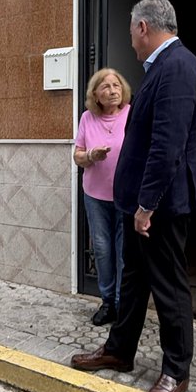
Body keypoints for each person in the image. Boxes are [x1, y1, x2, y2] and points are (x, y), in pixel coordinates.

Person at [70, 0, 196, 392]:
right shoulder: (164, 68)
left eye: (132, 32)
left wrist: (146, 205)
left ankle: (176, 370)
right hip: (141, 206)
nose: (130, 41)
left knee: (168, 288)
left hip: (161, 207)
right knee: (133, 281)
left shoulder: (177, 68)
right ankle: (119, 349)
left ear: (144, 27)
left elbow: (166, 147)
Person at [73, 68, 132, 326]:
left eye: (116, 84)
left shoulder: (131, 114)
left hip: (125, 195)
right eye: (106, 86)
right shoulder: (88, 118)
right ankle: (107, 302)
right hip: (95, 196)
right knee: (102, 249)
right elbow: (77, 155)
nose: (112, 90)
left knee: (122, 251)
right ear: (95, 94)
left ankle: (122, 303)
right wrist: (91, 157)